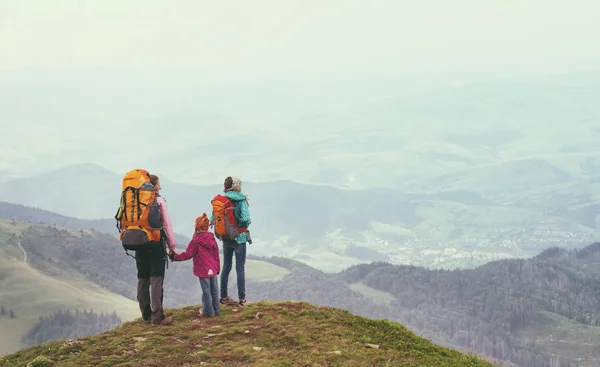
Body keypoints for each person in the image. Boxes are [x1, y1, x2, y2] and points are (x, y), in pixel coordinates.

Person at [135, 174, 177, 325]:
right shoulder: (159, 201)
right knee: (156, 280)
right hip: (156, 244)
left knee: (143, 278)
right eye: (159, 184)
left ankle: (145, 315)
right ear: (153, 186)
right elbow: (166, 225)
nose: (160, 187)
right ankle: (157, 317)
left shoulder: (136, 200)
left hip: (139, 243)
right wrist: (171, 246)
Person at [169, 213, 221, 317]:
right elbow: (216, 254)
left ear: (197, 226)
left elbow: (188, 254)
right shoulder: (211, 238)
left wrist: (174, 257)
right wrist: (217, 267)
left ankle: (208, 313)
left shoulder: (195, 240)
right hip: (213, 268)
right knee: (214, 291)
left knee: (206, 291)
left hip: (203, 270)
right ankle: (216, 311)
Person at [211, 176, 251, 306]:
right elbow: (245, 218)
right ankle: (242, 299)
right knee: (240, 268)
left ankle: (223, 297)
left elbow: (213, 219)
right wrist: (242, 224)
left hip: (226, 237)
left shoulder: (221, 200)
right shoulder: (241, 200)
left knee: (226, 266)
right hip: (239, 237)